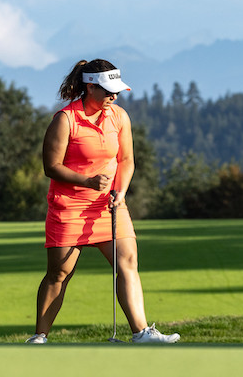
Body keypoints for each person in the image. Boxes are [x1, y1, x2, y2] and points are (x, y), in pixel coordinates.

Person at [26, 58, 180, 344]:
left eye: (117, 91)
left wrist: (120, 192)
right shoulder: (66, 119)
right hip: (69, 206)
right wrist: (87, 181)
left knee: (128, 262)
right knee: (59, 273)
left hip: (109, 204)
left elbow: (126, 160)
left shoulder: (119, 117)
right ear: (89, 86)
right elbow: (51, 166)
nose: (114, 96)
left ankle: (141, 333)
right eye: (108, 90)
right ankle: (39, 337)